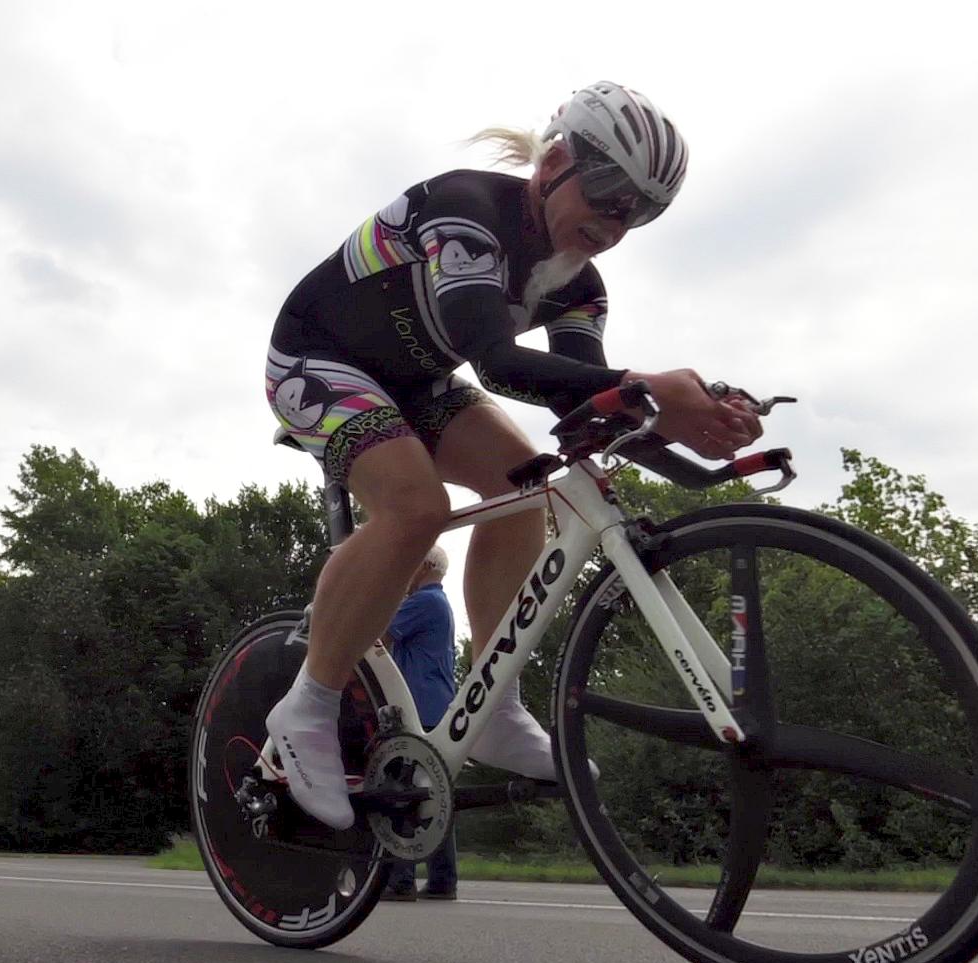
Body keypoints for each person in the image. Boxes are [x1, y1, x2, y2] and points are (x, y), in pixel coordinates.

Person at [264, 82, 762, 830]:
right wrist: (648, 387)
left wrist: (683, 421)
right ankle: (306, 706)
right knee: (416, 509)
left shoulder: (581, 286)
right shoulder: (465, 211)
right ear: (554, 162)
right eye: (609, 194)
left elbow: (579, 401)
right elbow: (497, 363)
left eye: (641, 211)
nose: (617, 223)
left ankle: (493, 705)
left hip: (416, 382)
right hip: (316, 362)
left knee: (526, 484)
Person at [380, 545, 460, 902]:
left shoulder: (423, 602)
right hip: (437, 705)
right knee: (435, 792)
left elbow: (380, 635)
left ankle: (400, 879)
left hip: (417, 707)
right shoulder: (440, 604)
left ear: (425, 564)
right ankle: (443, 879)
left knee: (402, 791)